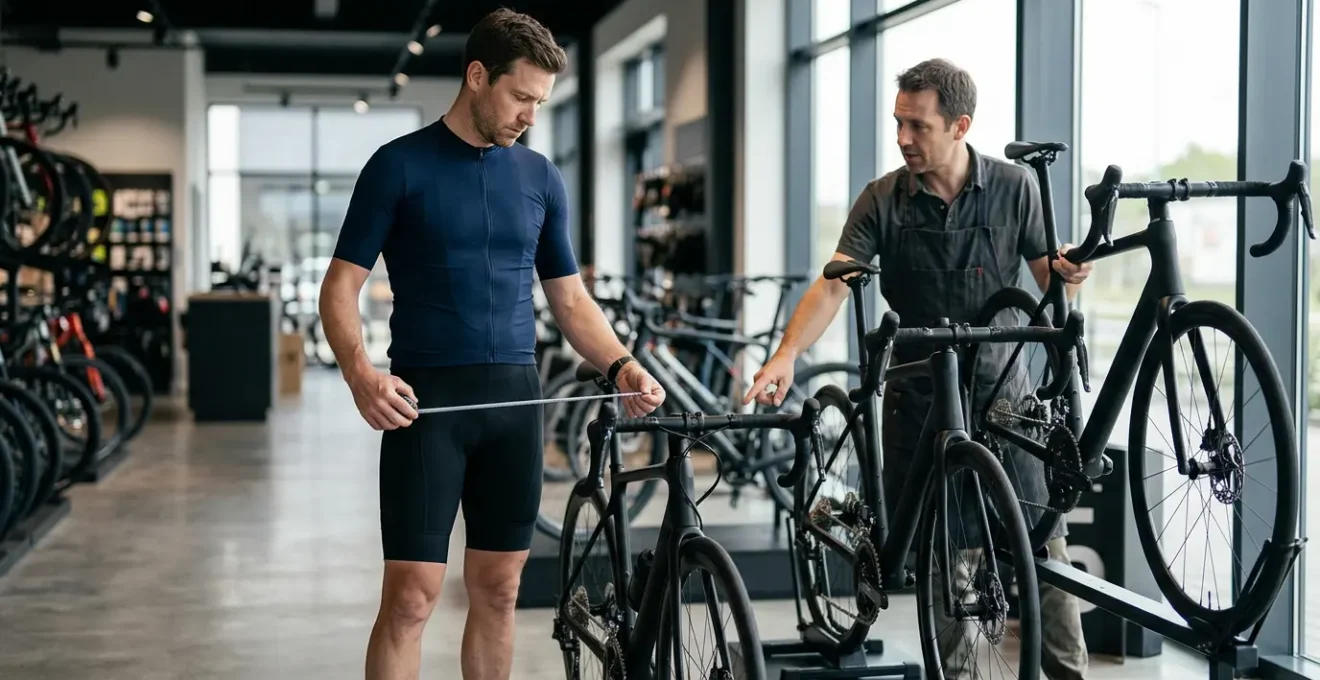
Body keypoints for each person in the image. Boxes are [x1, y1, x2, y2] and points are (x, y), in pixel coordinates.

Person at [318, 9, 666, 680]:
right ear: (478, 76)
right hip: (427, 408)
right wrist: (360, 373)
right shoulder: (397, 167)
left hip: (515, 404)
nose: (531, 116)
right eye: (522, 97)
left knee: (500, 594)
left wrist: (623, 364)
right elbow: (340, 286)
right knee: (411, 601)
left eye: (541, 101)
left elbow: (569, 299)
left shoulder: (539, 178)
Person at [743, 58, 1092, 679]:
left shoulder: (1016, 189)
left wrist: (1070, 275)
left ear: (960, 125)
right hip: (920, 402)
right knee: (950, 562)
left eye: (917, 125)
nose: (903, 137)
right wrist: (787, 353)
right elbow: (833, 286)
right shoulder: (882, 197)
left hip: (1007, 402)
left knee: (1047, 555)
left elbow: (1049, 284)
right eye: (898, 122)